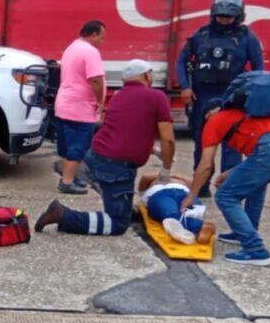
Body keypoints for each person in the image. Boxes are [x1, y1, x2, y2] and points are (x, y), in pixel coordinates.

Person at [35, 59, 175, 236]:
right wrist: (166, 170)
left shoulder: (119, 96)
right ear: (147, 75)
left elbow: (128, 132)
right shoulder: (157, 97)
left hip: (99, 156)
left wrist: (153, 150)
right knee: (117, 224)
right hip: (115, 166)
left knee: (119, 203)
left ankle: (120, 206)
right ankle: (64, 215)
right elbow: (168, 139)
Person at [182, 100, 270, 266]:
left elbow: (205, 166)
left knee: (225, 196)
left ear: (209, 113)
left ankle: (255, 249)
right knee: (257, 185)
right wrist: (232, 173)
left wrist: (191, 195)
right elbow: (258, 156)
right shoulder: (249, 113)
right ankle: (245, 231)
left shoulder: (215, 121)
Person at [177, 0, 265, 196]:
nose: (224, 20)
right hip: (202, 96)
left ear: (238, 17)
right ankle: (202, 186)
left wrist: (250, 94)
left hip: (233, 97)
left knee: (232, 145)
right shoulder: (202, 35)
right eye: (220, 16)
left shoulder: (247, 38)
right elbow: (181, 61)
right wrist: (184, 87)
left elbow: (258, 69)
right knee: (202, 143)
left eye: (228, 17)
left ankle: (228, 189)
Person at [54, 20, 107, 194]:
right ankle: (67, 183)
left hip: (64, 104)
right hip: (80, 107)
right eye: (101, 37)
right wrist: (100, 102)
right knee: (78, 146)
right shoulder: (91, 52)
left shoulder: (72, 47)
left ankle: (68, 175)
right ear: (93, 35)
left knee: (66, 145)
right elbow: (96, 80)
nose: (102, 41)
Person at [137, 171, 215, 245]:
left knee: (193, 213)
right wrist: (175, 176)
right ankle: (200, 228)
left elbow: (194, 182)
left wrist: (167, 175)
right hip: (160, 194)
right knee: (170, 213)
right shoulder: (149, 187)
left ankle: (200, 229)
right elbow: (146, 176)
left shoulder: (180, 182)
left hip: (186, 194)